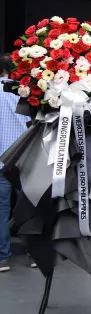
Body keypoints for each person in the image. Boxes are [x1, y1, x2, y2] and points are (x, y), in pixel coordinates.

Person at [0, 53, 29, 272]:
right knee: (29, 206)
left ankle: (2, 258)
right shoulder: (26, 92)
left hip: (0, 161)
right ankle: (34, 252)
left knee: (1, 209)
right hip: (23, 158)